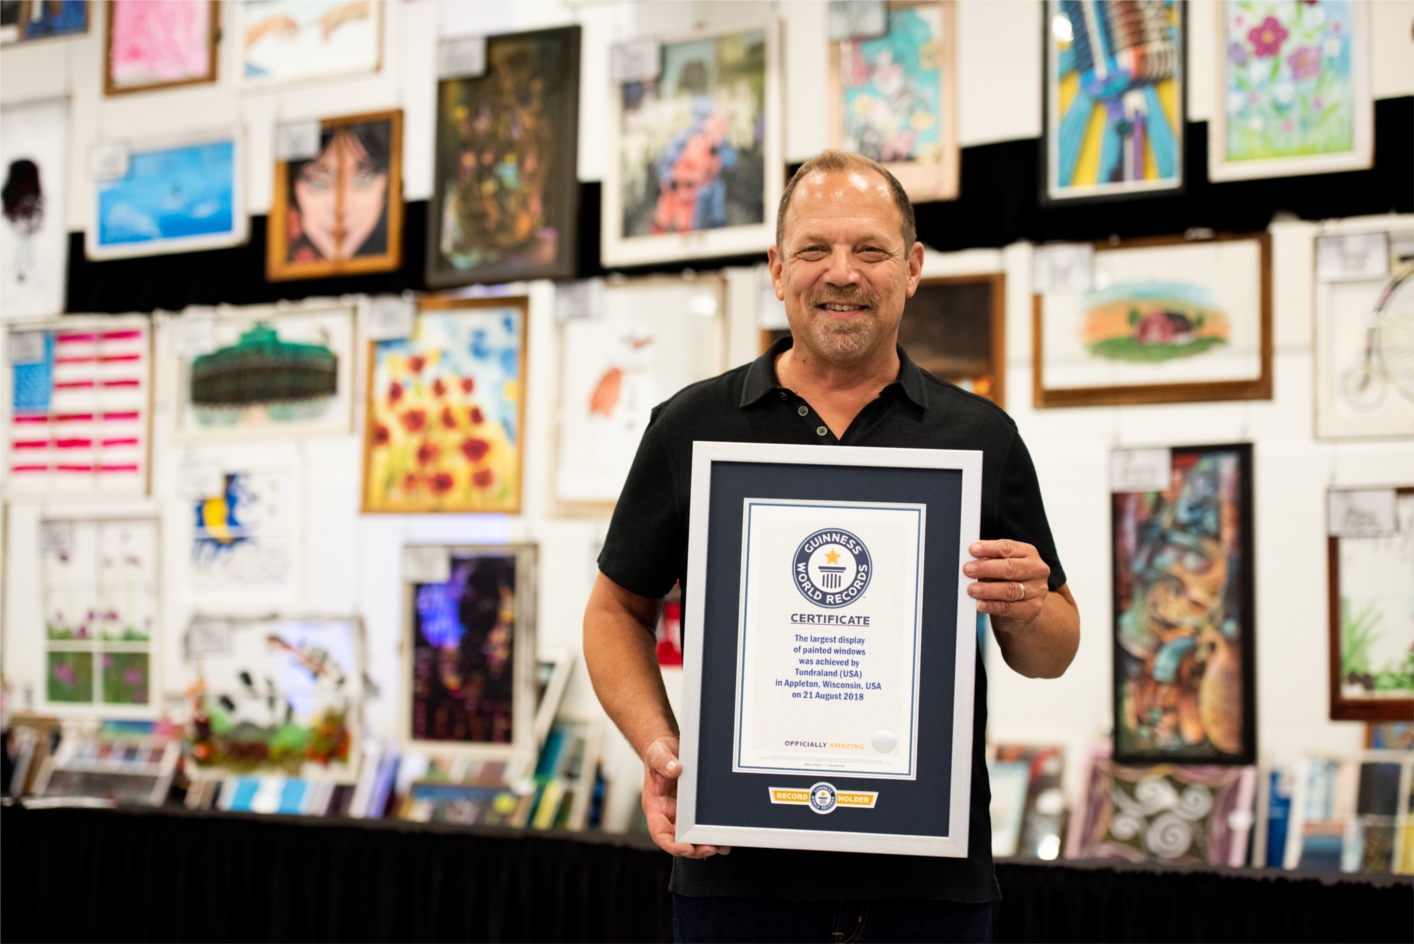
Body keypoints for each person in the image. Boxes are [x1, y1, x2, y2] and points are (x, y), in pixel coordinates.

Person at [583, 149, 1080, 943]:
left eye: (871, 250)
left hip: (929, 889)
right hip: (736, 877)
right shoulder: (692, 426)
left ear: (913, 268)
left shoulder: (978, 436)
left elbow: (1052, 648)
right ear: (777, 270)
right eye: (815, 250)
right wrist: (660, 746)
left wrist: (1024, 607)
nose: (841, 273)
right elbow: (614, 610)